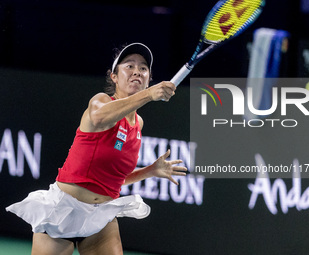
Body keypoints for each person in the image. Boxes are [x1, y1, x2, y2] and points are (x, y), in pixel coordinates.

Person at [6, 42, 187, 255]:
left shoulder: (138, 123)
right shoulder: (101, 101)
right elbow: (99, 118)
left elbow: (112, 179)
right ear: (114, 76)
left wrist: (150, 171)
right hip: (63, 211)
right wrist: (148, 95)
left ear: (149, 79)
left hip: (100, 217)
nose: (137, 71)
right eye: (129, 66)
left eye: (143, 68)